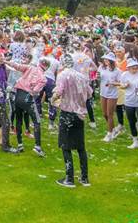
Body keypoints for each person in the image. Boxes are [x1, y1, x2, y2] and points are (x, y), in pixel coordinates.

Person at [52, 53, 93, 188]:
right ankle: (84, 178)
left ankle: (69, 179)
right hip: (80, 114)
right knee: (81, 147)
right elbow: (90, 93)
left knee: (66, 146)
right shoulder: (81, 76)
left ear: (62, 63)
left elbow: (58, 91)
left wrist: (52, 100)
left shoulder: (63, 75)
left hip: (68, 113)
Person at [6, 54, 48, 157]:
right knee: (36, 121)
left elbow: (18, 66)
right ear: (46, 67)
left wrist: (6, 62)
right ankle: (37, 147)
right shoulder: (43, 78)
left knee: (19, 119)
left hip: (18, 94)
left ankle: (20, 144)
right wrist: (32, 92)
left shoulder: (30, 67)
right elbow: (36, 90)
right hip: (27, 97)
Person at [118, 58, 138, 151]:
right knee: (131, 121)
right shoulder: (124, 75)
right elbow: (121, 85)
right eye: (133, 68)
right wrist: (125, 86)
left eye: (136, 68)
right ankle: (135, 140)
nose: (135, 70)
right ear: (128, 68)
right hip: (129, 101)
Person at [98, 53, 121, 142]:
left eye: (107, 60)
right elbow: (99, 77)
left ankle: (109, 133)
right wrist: (97, 77)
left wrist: (112, 83)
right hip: (103, 92)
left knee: (109, 114)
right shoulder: (101, 68)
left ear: (111, 61)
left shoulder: (117, 71)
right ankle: (113, 129)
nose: (105, 61)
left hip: (112, 94)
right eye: (105, 59)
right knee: (104, 114)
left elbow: (120, 82)